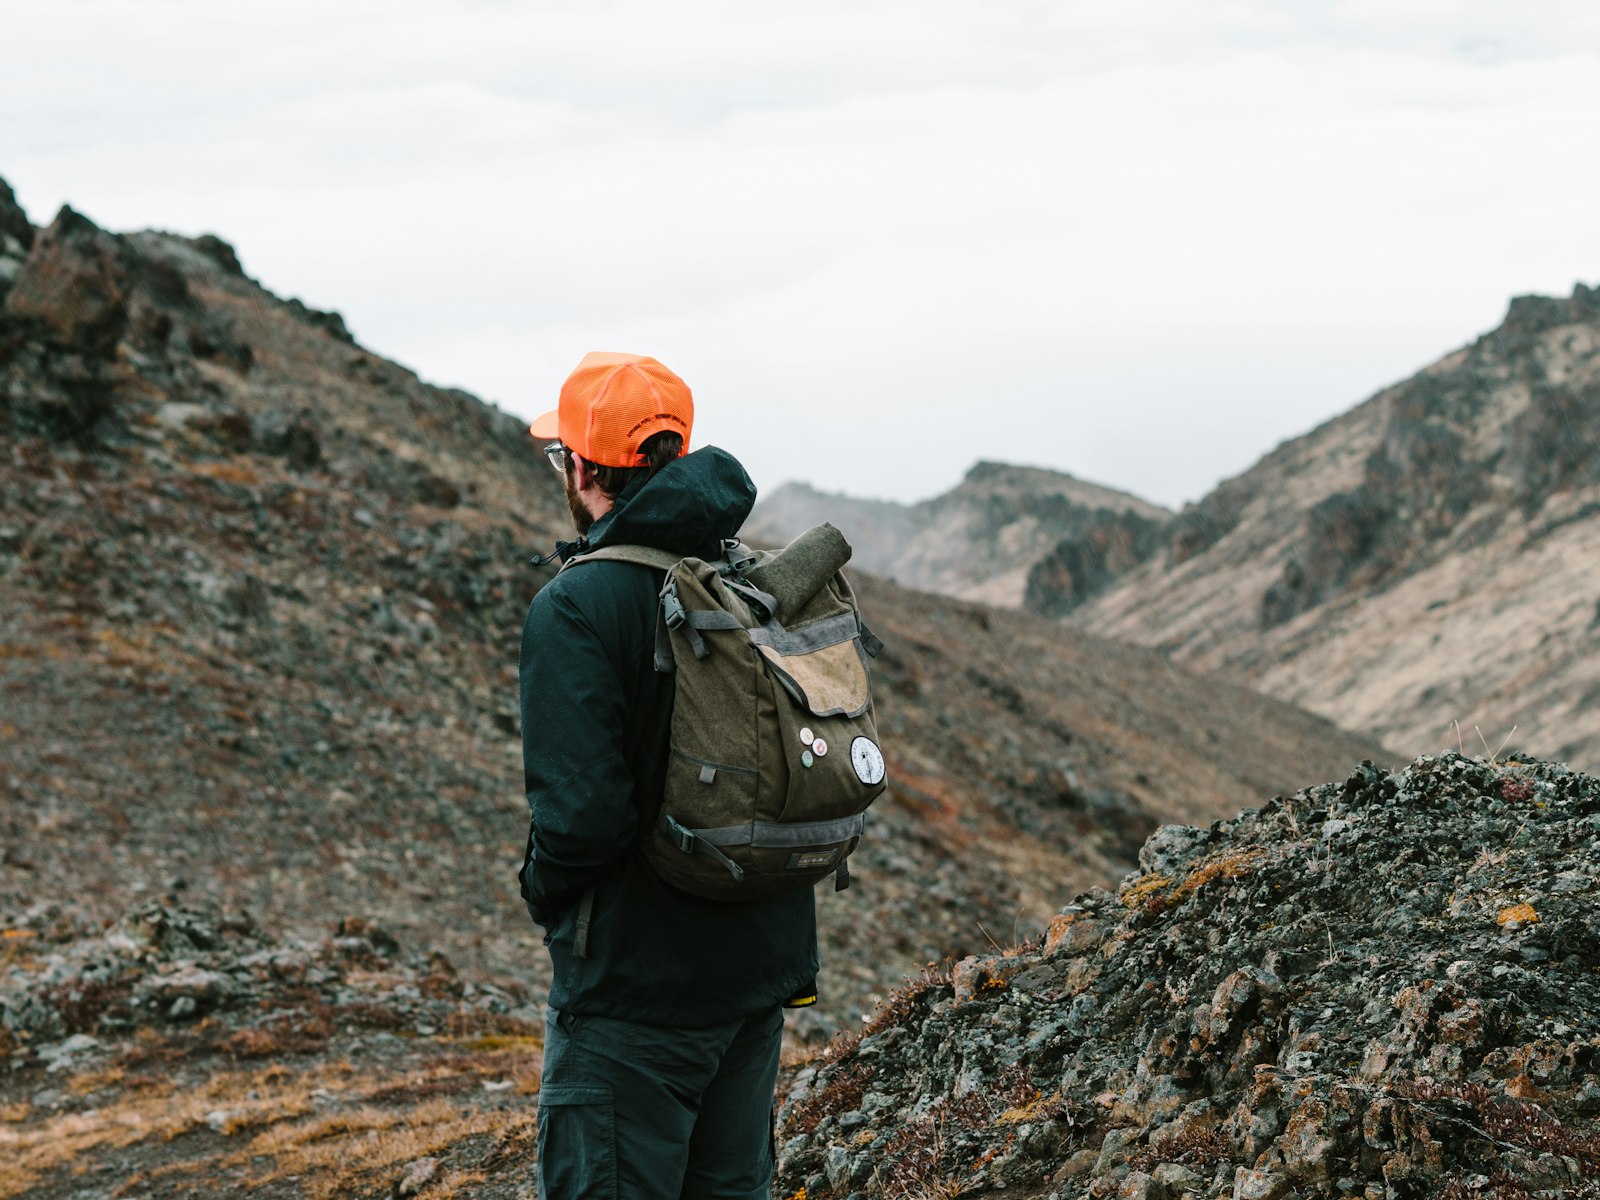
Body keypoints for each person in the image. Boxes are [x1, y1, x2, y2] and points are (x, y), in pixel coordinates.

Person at [518, 352, 819, 1200]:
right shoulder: (742, 576)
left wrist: (543, 894)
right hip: (754, 978)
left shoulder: (576, 605)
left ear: (580, 467)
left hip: (633, 999)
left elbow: (582, 820)